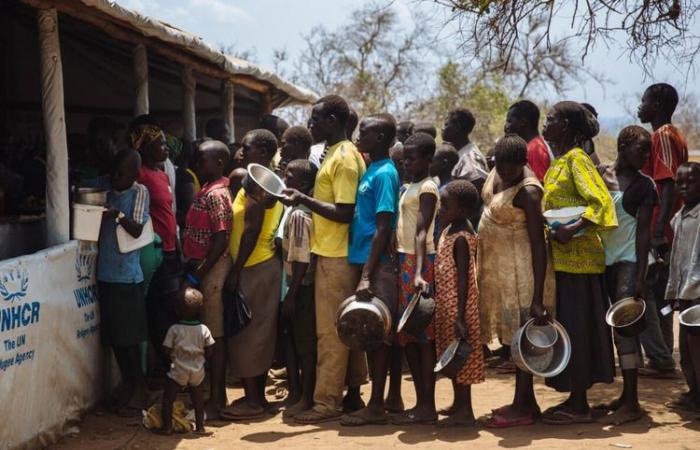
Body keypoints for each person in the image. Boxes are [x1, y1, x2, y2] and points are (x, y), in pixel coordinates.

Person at [283, 95, 368, 424]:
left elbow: (345, 212)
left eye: (316, 119)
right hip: (332, 251)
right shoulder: (335, 154)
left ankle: (326, 403)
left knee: (330, 334)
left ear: (334, 120)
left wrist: (303, 198)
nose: (311, 125)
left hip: (337, 254)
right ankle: (351, 393)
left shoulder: (344, 158)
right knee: (347, 330)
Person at [540, 101, 617, 424]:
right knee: (569, 328)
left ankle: (581, 404)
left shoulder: (577, 160)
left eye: (553, 119)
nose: (546, 124)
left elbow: (601, 204)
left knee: (579, 329)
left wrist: (572, 229)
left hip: (580, 262)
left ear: (568, 127)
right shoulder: (559, 162)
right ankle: (574, 397)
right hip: (562, 261)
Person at [478, 134, 555, 428]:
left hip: (523, 276)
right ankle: (526, 402)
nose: (504, 172)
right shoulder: (497, 172)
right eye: (500, 165)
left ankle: (522, 407)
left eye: (511, 168)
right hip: (501, 275)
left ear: (523, 163)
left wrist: (537, 296)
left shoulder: (529, 191)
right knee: (512, 339)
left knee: (522, 338)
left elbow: (538, 244)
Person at [339, 114, 400, 426]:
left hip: (377, 265)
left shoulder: (385, 173)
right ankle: (384, 401)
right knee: (372, 333)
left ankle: (376, 406)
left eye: (365, 132)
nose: (358, 135)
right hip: (365, 260)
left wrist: (366, 274)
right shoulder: (370, 169)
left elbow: (383, 226)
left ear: (381, 139)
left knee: (377, 334)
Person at [595, 126, 657, 425]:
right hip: (602, 261)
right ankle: (625, 396)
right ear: (622, 146)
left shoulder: (645, 186)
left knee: (625, 329)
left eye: (648, 151)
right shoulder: (601, 175)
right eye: (641, 150)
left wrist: (642, 277)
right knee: (610, 329)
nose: (646, 156)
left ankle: (632, 402)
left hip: (628, 262)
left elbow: (643, 233)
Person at [222, 129, 284, 420]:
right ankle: (256, 397)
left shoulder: (258, 188)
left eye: (247, 148)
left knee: (247, 334)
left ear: (262, 152)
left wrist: (235, 271)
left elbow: (250, 232)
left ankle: (254, 401)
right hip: (262, 265)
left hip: (252, 267)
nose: (241, 151)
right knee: (258, 332)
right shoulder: (266, 183)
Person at [638, 83, 689, 377]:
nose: (640, 106)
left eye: (644, 101)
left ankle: (660, 357)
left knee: (646, 290)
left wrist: (658, 232)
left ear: (656, 105)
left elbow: (667, 184)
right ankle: (663, 357)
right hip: (663, 227)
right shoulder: (670, 135)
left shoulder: (664, 136)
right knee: (659, 294)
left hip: (660, 229)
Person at [181, 140, 233, 419]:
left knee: (215, 334)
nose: (198, 165)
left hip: (213, 269)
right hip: (203, 267)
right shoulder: (207, 189)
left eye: (203, 161)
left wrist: (197, 273)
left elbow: (221, 238)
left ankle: (217, 398)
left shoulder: (217, 194)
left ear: (220, 163)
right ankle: (211, 395)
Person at [97, 149, 151, 415]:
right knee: (117, 339)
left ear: (134, 174)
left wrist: (116, 215)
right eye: (114, 172)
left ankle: (139, 389)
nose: (115, 178)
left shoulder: (139, 192)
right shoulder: (106, 191)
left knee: (129, 340)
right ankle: (128, 388)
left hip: (126, 277)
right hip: (106, 273)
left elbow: (137, 228)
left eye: (121, 174)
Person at [391, 132, 440, 425]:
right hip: (404, 259)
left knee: (423, 337)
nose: (407, 162)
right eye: (405, 158)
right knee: (409, 334)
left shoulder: (428, 188)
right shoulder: (410, 186)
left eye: (413, 158)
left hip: (418, 262)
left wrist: (419, 271)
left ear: (428, 159)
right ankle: (421, 403)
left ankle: (427, 404)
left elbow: (422, 232)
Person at [434, 179, 484, 426]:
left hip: (459, 308)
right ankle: (457, 404)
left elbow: (465, 278)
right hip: (447, 305)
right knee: (451, 357)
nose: (440, 209)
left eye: (445, 205)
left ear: (462, 211)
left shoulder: (462, 237)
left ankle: (466, 410)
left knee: (462, 360)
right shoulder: (447, 230)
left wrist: (461, 316)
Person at [131, 121, 181, 371]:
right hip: (153, 251)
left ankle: (174, 367)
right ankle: (168, 368)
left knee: (171, 310)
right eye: (160, 143)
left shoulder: (161, 174)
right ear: (145, 148)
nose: (167, 148)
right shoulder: (139, 175)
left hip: (171, 250)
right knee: (159, 313)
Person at [279, 160, 319, 419]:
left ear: (303, 185)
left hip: (301, 288)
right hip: (297, 286)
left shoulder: (299, 214)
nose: (285, 180)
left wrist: (291, 296)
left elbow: (302, 260)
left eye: (290, 177)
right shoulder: (298, 210)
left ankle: (307, 397)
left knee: (305, 346)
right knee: (298, 342)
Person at [665, 162, 700, 411]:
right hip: (685, 292)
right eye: (679, 182)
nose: (684, 187)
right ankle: (694, 392)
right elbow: (678, 257)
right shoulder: (680, 217)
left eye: (690, 182)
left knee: (697, 349)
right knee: (686, 351)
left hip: (697, 291)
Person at [159, 288, 215, 435]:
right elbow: (210, 349)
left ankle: (167, 427)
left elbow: (165, 349)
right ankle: (200, 427)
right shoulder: (203, 329)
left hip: (178, 369)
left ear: (177, 311)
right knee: (198, 400)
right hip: (197, 370)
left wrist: (171, 359)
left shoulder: (175, 329)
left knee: (168, 398)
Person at [504, 100, 553, 182]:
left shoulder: (535, 149)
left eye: (509, 121)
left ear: (523, 122)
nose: (506, 126)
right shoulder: (532, 146)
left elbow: (539, 187)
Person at [442, 109, 488, 192]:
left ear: (457, 127)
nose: (442, 129)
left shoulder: (470, 157)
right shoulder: (458, 152)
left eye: (446, 125)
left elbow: (479, 186)